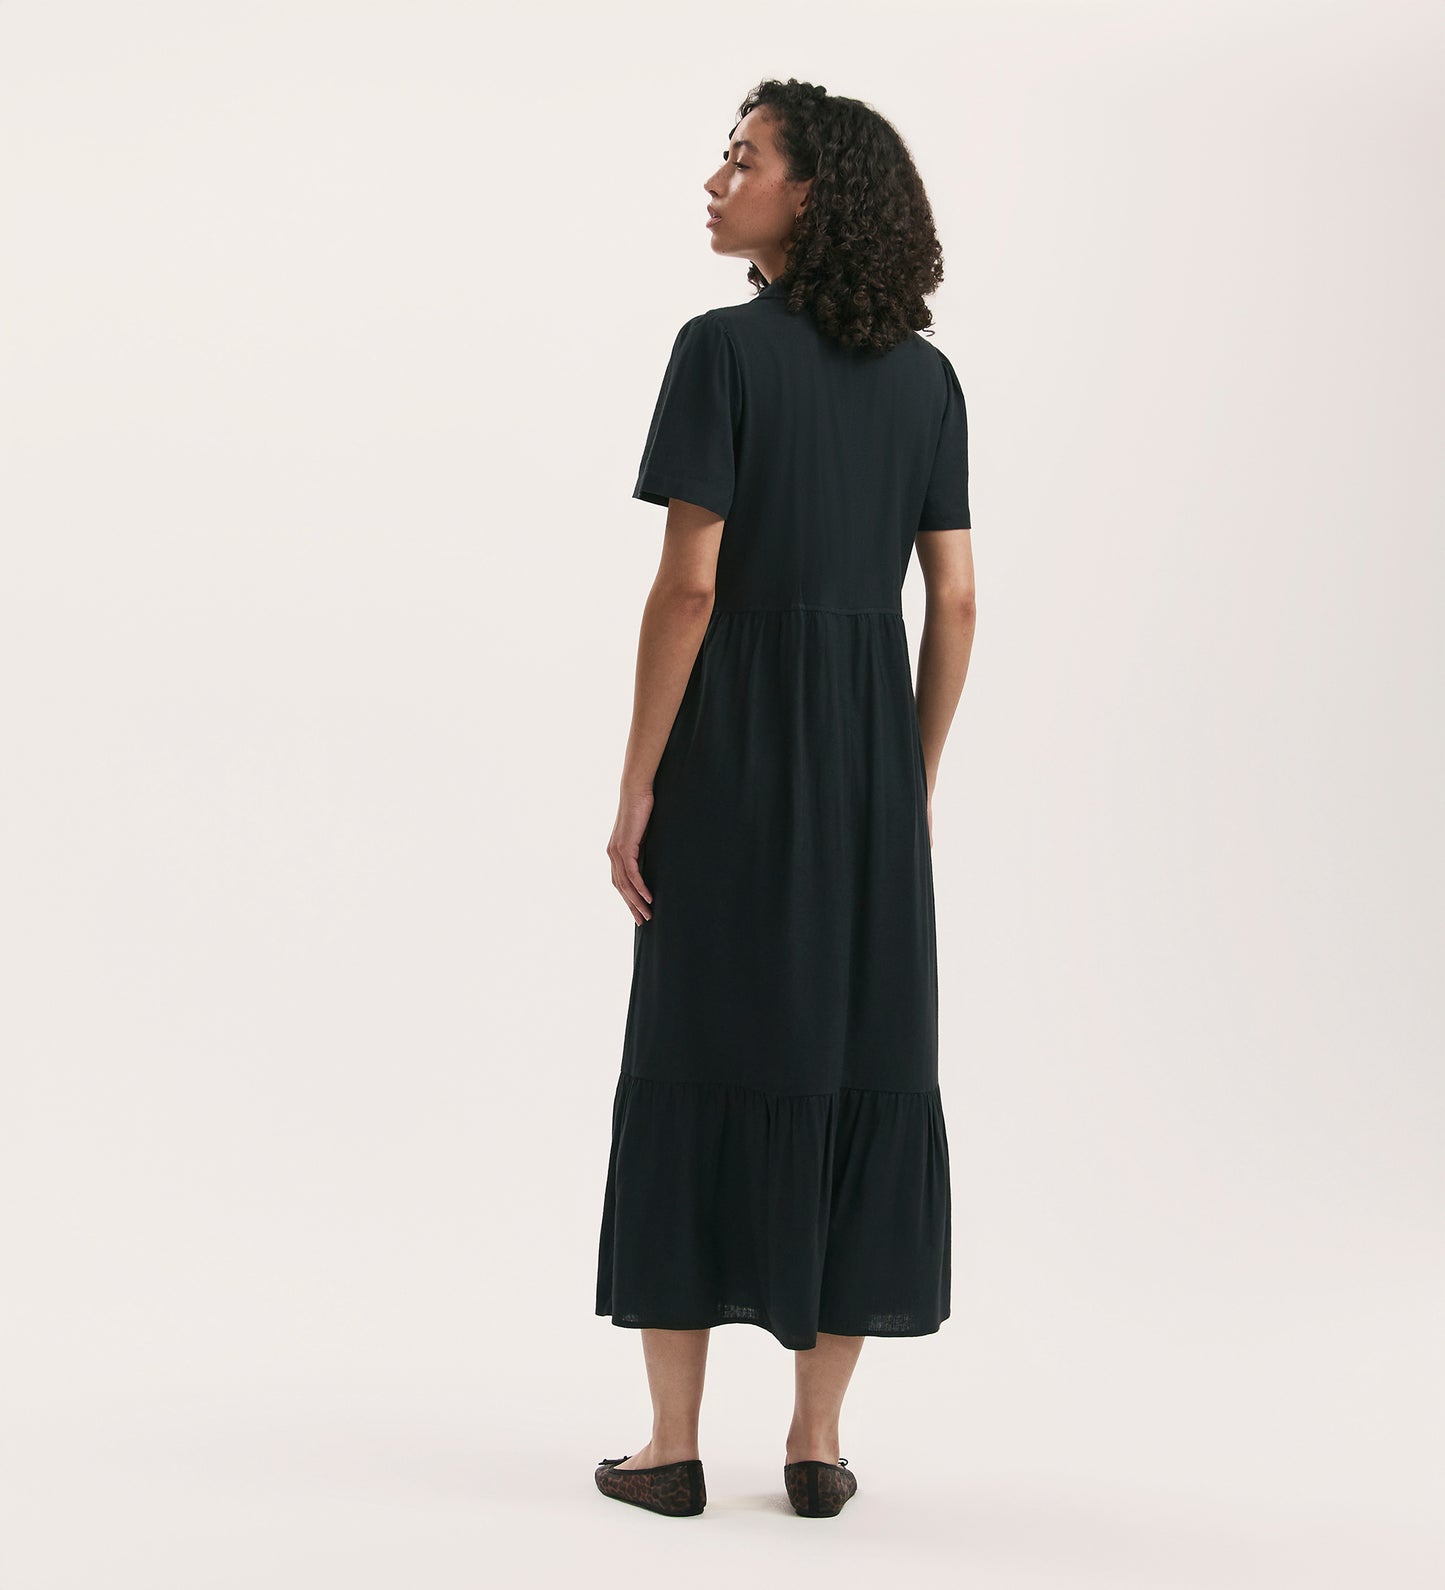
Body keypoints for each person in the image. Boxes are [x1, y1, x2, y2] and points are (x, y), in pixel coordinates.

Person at [594, 78, 977, 1521]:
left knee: (693, 1049)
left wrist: (637, 780)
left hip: (737, 752)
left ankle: (668, 1445)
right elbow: (953, 601)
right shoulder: (929, 380)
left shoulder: (719, 354)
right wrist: (907, 777)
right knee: (858, 1062)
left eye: (741, 158)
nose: (715, 180)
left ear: (809, 194)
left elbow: (690, 583)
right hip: (867, 761)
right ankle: (814, 1444)